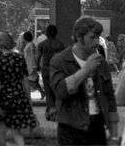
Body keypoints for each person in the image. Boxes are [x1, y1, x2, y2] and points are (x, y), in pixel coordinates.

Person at [50, 16, 120, 145]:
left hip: (97, 125)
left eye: (98, 37)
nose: (96, 43)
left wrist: (114, 136)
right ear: (78, 36)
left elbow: (110, 99)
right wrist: (85, 70)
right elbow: (60, 91)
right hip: (71, 127)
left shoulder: (100, 62)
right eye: (92, 37)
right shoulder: (60, 60)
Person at [0, 32, 37, 146]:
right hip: (19, 97)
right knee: (17, 132)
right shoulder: (20, 58)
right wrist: (28, 99)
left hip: (4, 99)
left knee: (2, 132)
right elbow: (25, 80)